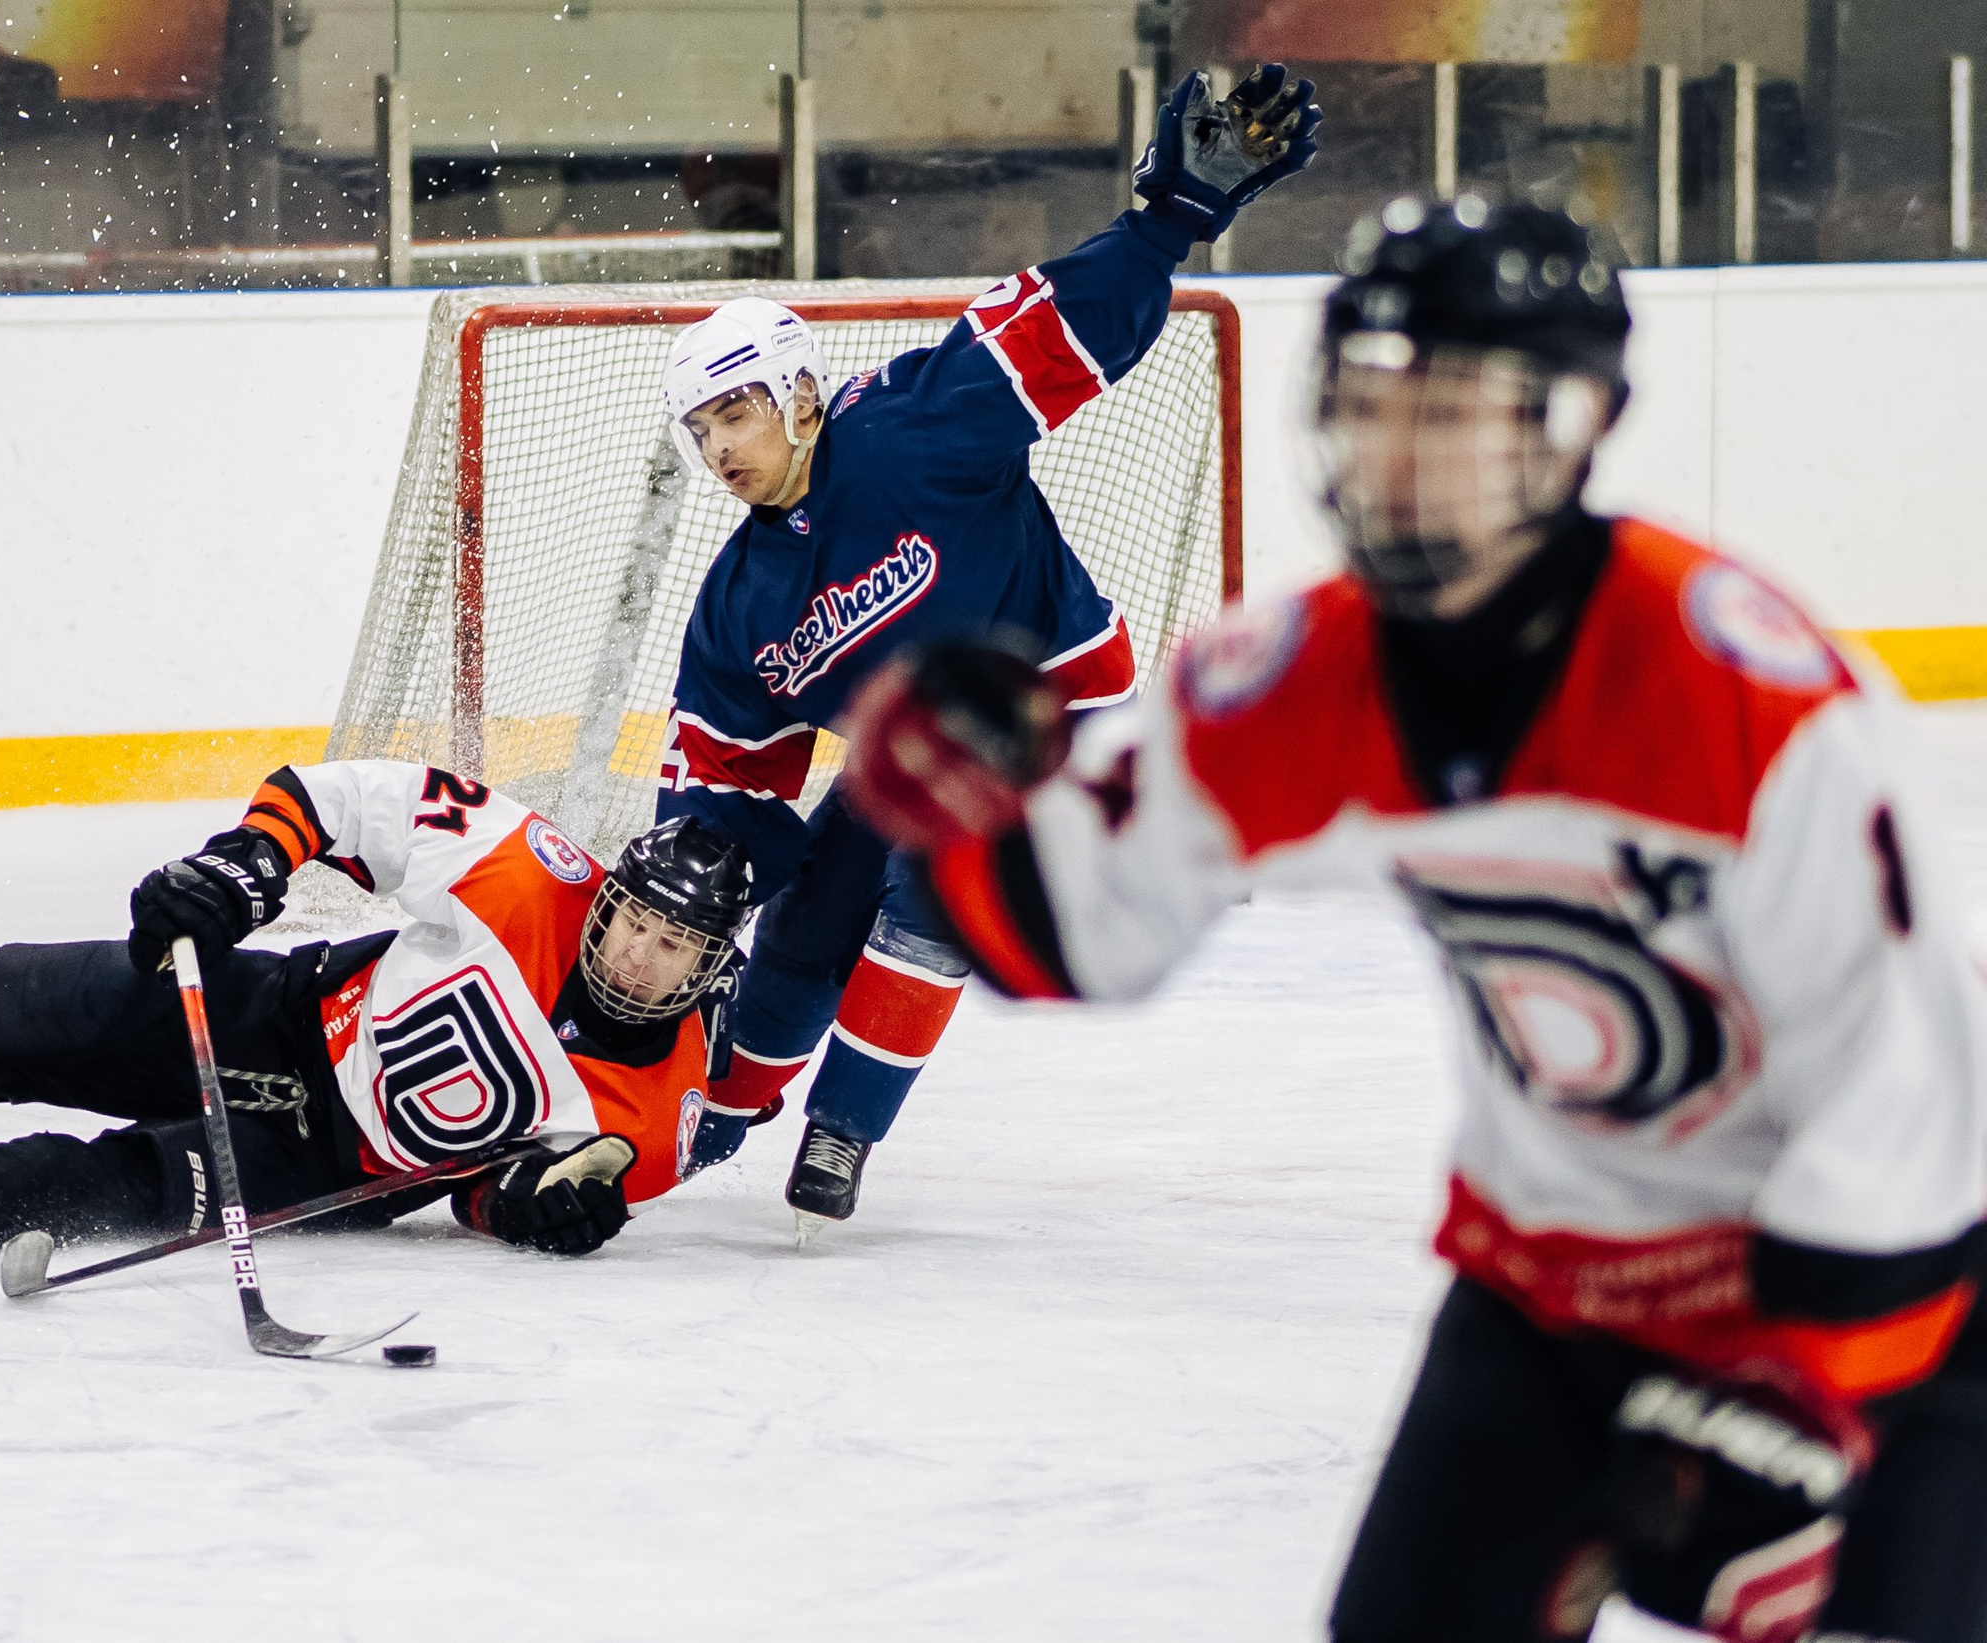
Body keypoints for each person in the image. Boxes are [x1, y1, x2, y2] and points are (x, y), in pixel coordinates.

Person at [840, 196, 1987, 1640]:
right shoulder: (1306, 675)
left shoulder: (1751, 706)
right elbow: (1086, 922)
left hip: (1880, 1279)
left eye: (1448, 410)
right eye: (1372, 404)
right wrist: (959, 831)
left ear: (1569, 428)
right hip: (1549, 1282)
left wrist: (1811, 1371)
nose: (1397, 456)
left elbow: (1913, 1087)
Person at [653, 65, 1321, 1236]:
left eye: (737, 412)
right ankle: (714, 1116)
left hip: (1060, 713)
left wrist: (1168, 220)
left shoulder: (917, 424)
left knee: (929, 888)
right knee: (810, 904)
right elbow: (727, 786)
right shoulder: (737, 605)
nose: (719, 448)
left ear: (801, 393)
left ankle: (844, 1126)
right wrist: (692, 878)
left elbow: (1059, 329)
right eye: (701, 430)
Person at [0, 760, 749, 1262]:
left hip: (332, 1169)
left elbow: (489, 1198)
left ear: (709, 970)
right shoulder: (524, 864)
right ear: (603, 900)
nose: (643, 961)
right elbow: (335, 798)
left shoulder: (654, 1120)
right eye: (634, 925)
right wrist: (248, 865)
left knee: (71, 1184)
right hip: (284, 1012)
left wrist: (538, 1218)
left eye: (677, 949)